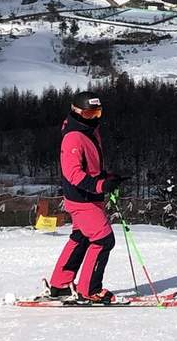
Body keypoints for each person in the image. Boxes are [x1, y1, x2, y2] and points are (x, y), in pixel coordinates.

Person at [45, 92, 121, 304]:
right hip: (82, 199)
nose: (94, 118)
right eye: (89, 113)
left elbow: (91, 167)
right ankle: (90, 289)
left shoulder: (89, 131)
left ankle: (60, 284)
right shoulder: (73, 136)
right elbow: (73, 173)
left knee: (81, 237)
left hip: (89, 195)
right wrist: (99, 185)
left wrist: (107, 178)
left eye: (97, 112)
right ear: (76, 111)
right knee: (104, 239)